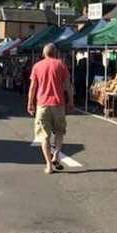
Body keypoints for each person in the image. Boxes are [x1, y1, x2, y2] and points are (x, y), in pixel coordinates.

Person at [28, 43, 74, 174]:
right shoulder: (61, 65)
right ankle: (56, 154)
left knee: (44, 136)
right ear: (56, 53)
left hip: (42, 104)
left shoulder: (37, 66)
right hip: (58, 104)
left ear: (43, 53)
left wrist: (30, 103)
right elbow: (67, 85)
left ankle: (49, 166)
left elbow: (32, 87)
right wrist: (70, 101)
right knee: (59, 131)